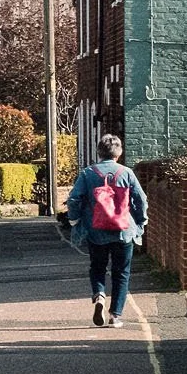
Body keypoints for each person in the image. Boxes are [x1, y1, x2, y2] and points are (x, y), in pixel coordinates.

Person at [65, 135, 147, 328]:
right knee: (122, 272)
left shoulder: (87, 173)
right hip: (123, 231)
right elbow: (141, 199)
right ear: (119, 153)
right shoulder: (127, 173)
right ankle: (115, 315)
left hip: (96, 230)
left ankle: (99, 295)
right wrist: (140, 221)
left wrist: (74, 219)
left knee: (97, 267)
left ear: (99, 152)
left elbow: (74, 199)